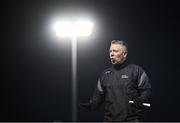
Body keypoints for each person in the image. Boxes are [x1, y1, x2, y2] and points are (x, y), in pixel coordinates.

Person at [80, 40, 152, 121]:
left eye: (115, 51)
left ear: (124, 54)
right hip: (110, 120)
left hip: (132, 119)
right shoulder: (105, 74)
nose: (112, 54)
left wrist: (141, 99)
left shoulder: (136, 70)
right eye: (110, 51)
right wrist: (91, 105)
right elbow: (98, 96)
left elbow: (146, 90)